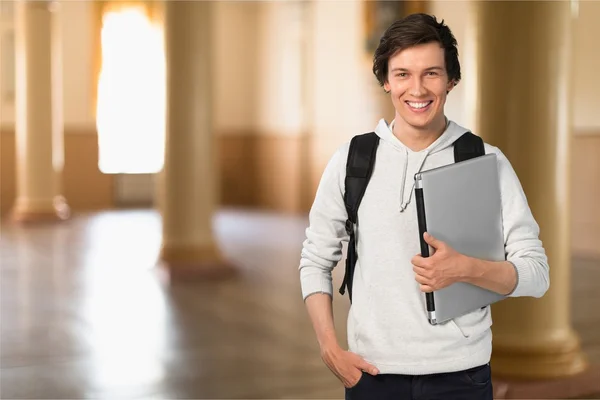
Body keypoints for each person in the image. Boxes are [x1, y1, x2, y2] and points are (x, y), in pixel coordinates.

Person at [298, 13, 550, 400]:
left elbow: (536, 273)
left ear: (452, 80)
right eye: (402, 74)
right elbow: (316, 258)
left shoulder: (483, 160)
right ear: (386, 81)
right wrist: (330, 348)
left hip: (461, 376)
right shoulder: (352, 159)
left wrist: (468, 269)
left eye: (431, 73)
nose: (417, 89)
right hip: (371, 374)